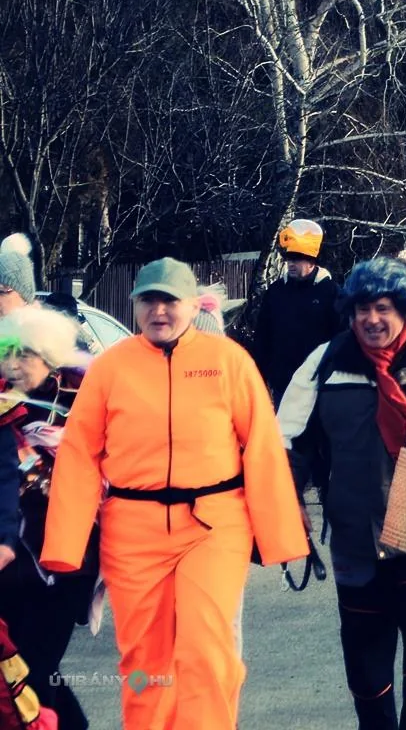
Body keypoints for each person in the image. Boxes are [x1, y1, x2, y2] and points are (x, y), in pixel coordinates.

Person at [42, 258, 308, 730]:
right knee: (146, 662)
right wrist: (66, 545)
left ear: (190, 304)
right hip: (133, 528)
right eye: (149, 300)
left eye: (170, 300)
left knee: (207, 649)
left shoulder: (228, 362)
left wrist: (278, 534)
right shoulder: (111, 369)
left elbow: (262, 446)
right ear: (136, 305)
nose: (159, 310)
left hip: (212, 524)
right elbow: (79, 453)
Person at [278, 258, 406, 730]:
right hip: (355, 527)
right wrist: (289, 500)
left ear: (405, 310)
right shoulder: (326, 362)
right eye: (361, 309)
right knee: (364, 650)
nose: (371, 319)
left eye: (382, 307)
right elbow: (290, 439)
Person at [0, 307, 96, 730]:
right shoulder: (6, 410)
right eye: (8, 353)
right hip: (14, 568)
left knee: (36, 670)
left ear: (51, 358)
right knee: (24, 673)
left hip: (65, 566)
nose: (13, 365)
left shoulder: (78, 407)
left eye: (26, 355)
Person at [253, 218, 342, 407]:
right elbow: (263, 336)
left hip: (319, 384)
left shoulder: (331, 292)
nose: (291, 264)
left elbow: (341, 338)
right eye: (289, 259)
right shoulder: (276, 292)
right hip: (283, 385)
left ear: (311, 261)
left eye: (297, 259)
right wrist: (260, 375)